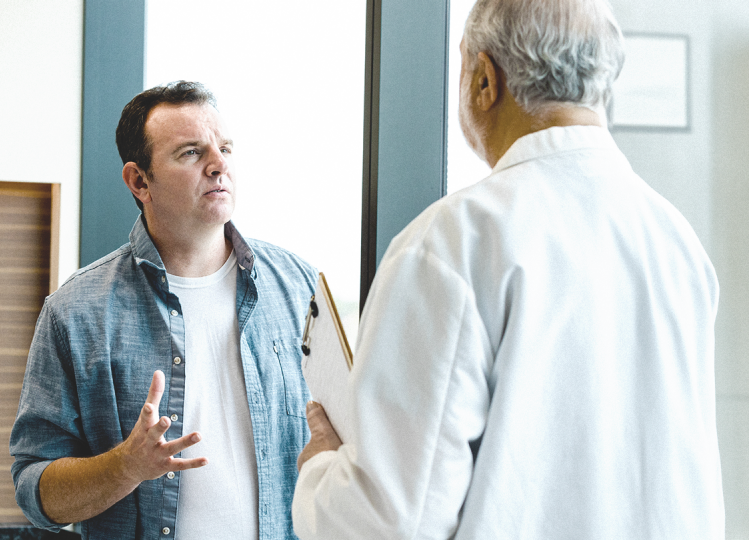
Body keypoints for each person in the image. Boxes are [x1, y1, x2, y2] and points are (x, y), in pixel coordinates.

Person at [293, 0, 723, 538]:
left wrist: (320, 469)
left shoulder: (453, 243)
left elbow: (391, 522)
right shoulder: (677, 242)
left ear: (484, 80)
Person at [11, 81, 317, 540]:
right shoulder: (75, 312)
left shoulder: (299, 286)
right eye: (191, 153)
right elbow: (36, 492)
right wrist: (125, 467)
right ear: (140, 181)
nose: (219, 165)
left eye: (225, 148)